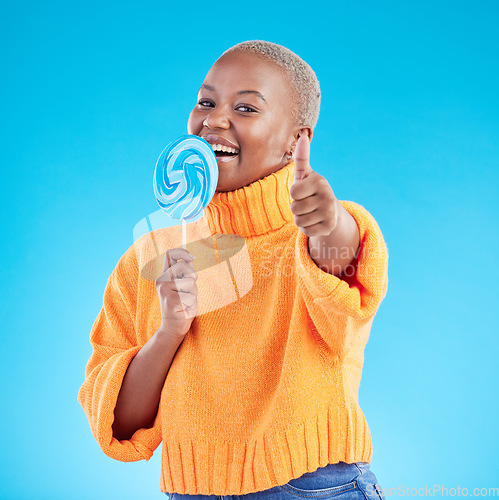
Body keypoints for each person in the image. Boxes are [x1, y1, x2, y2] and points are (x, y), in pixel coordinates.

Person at [77, 40, 389, 499]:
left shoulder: (310, 234)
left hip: (314, 486)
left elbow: (339, 262)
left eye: (245, 108)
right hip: (193, 490)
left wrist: (329, 220)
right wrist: (168, 333)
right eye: (206, 101)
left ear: (296, 141)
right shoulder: (149, 258)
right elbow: (120, 422)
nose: (215, 119)